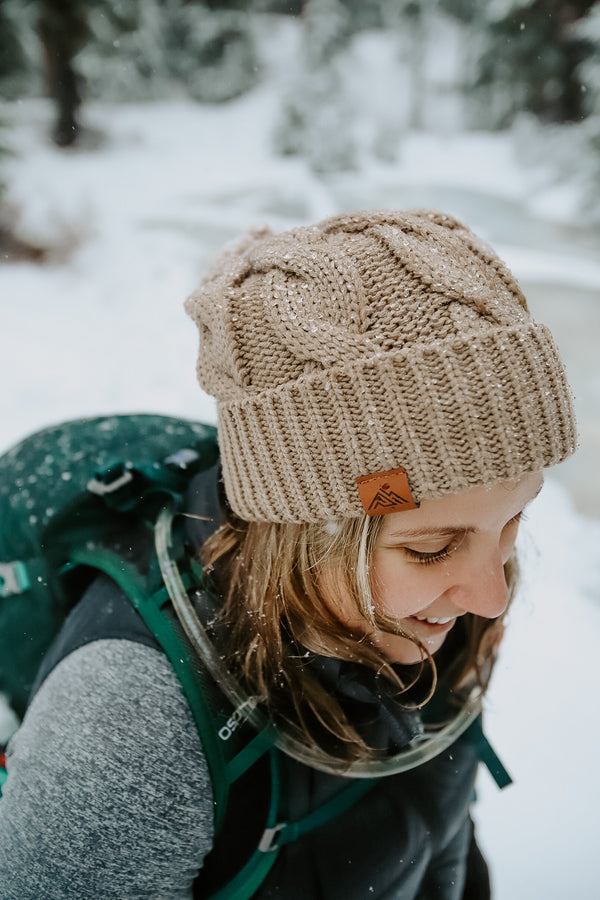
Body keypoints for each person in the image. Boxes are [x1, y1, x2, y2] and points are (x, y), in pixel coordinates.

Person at [0, 209, 577, 899]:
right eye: (429, 548)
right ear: (302, 533)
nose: (491, 596)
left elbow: (439, 825)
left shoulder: (427, 610)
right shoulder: (126, 729)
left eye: (513, 521)